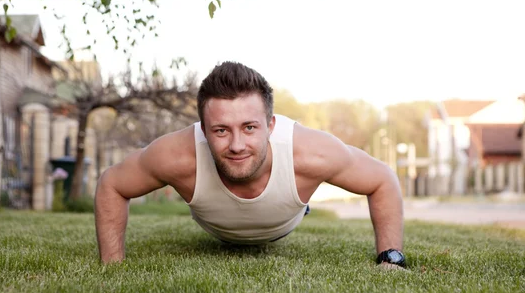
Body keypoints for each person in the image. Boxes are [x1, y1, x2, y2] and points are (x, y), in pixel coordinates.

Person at [94, 61, 406, 269]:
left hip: (284, 221)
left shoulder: (311, 153)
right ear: (203, 130)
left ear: (271, 125)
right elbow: (112, 184)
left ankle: (299, 203)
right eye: (220, 130)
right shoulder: (177, 156)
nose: (237, 145)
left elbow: (382, 180)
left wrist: (390, 258)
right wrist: (112, 265)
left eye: (249, 127)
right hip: (218, 228)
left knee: (293, 191)